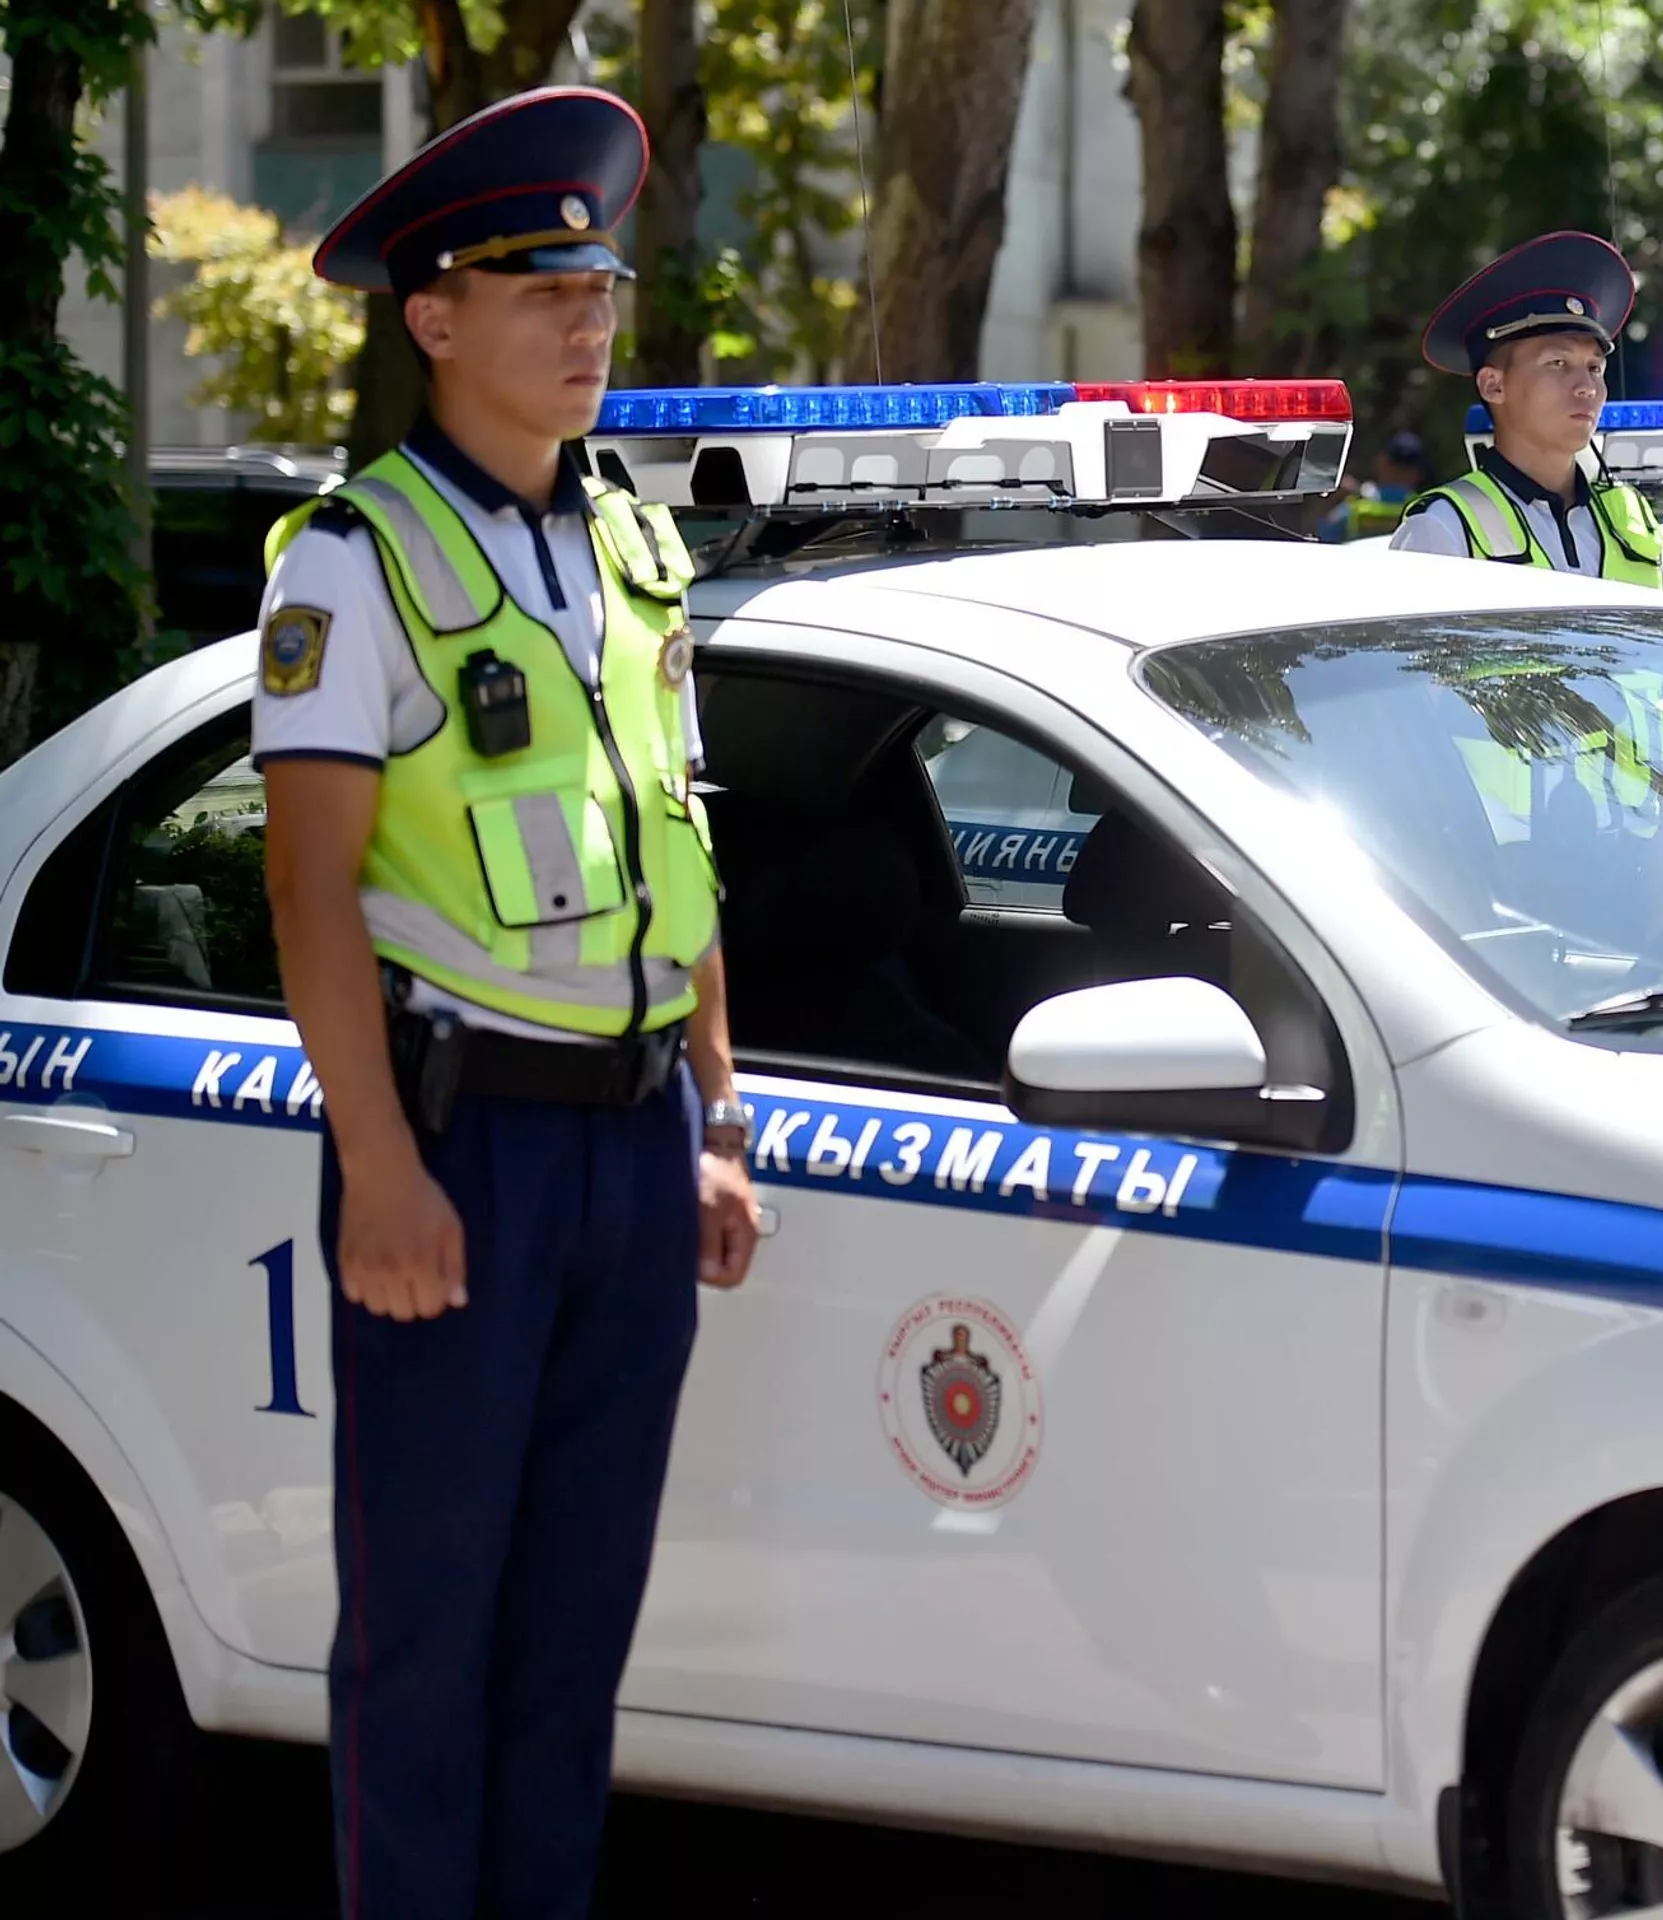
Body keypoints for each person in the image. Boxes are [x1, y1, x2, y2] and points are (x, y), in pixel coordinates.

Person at [252, 86, 760, 1920]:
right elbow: (308, 888)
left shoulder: (631, 547)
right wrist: (379, 1169)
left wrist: (719, 1114)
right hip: (459, 1149)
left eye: (599, 287)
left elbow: (680, 846)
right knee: (424, 1650)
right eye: (538, 289)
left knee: (571, 1651)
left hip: (635, 1153)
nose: (586, 322)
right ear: (435, 319)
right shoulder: (355, 560)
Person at [1391, 230, 1663, 584]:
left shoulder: (1631, 520)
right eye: (1558, 363)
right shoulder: (1443, 529)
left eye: (1594, 368)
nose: (1586, 387)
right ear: (1493, 385)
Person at [1316, 429, 1433, 541]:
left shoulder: (1355, 506)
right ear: (1419, 472)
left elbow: (1323, 534)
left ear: (1381, 462)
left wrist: (1331, 499)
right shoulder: (1426, 509)